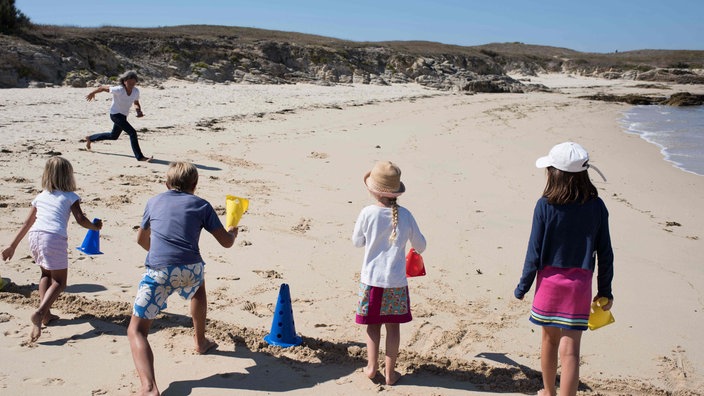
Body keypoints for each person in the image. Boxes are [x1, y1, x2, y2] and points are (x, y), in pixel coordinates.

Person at [127, 161, 238, 396]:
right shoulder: (201, 205)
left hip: (158, 269)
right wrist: (233, 232)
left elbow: (140, 239)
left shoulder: (153, 201)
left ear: (166, 184)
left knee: (136, 331)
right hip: (190, 268)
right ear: (195, 185)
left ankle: (148, 387)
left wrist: (158, 254)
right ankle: (200, 342)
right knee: (198, 289)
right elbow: (226, 243)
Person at [514, 142, 614, 396]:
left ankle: (549, 391)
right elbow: (605, 253)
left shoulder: (545, 205)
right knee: (571, 351)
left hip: (549, 284)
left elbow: (533, 251)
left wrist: (523, 286)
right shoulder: (597, 206)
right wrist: (605, 291)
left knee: (549, 342)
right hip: (579, 287)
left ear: (554, 173)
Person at [1, 156, 102, 342]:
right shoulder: (71, 196)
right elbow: (80, 219)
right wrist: (95, 228)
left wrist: (12, 246)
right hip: (53, 237)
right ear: (68, 176)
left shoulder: (40, 196)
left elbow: (27, 222)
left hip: (35, 236)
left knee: (45, 275)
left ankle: (46, 314)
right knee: (60, 281)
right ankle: (39, 313)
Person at [352, 161, 427, 385]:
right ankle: (390, 373)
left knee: (372, 325)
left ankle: (371, 366)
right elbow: (421, 245)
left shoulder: (367, 213)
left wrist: (372, 239)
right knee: (393, 328)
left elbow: (357, 242)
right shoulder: (405, 216)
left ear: (373, 190)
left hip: (371, 280)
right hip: (395, 282)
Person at [85, 70, 152, 162]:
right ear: (125, 81)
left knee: (113, 136)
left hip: (123, 115)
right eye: (129, 81)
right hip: (115, 114)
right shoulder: (119, 89)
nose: (131, 83)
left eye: (133, 81)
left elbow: (136, 102)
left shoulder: (136, 91)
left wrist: (138, 111)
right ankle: (140, 157)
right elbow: (103, 88)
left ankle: (90, 138)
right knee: (132, 132)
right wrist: (92, 93)